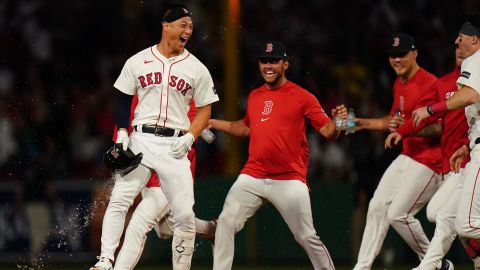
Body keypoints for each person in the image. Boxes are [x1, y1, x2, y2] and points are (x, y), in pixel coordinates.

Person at [90, 4, 219, 270]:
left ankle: (206, 234)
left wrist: (191, 135)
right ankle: (105, 262)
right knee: (122, 199)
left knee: (178, 218)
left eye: (191, 27)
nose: (188, 30)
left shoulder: (196, 69)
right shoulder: (138, 62)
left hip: (174, 147)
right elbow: (123, 100)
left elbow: (206, 110)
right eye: (183, 24)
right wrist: (123, 134)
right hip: (142, 140)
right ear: (166, 26)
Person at [209, 40, 347, 270]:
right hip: (253, 174)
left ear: (286, 64)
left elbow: (329, 132)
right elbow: (245, 127)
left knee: (305, 236)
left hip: (289, 178)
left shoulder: (303, 96)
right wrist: (213, 122)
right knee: (225, 222)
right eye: (264, 60)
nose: (268, 65)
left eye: (274, 61)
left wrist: (342, 121)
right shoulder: (255, 95)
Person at [352, 33, 443, 270]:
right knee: (376, 206)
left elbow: (439, 128)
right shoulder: (399, 83)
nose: (396, 59)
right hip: (408, 156)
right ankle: (362, 267)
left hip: (430, 160)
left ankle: (436, 262)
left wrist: (406, 131)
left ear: (415, 54)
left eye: (402, 54)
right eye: (393, 55)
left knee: (397, 215)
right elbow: (394, 121)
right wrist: (361, 123)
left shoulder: (430, 83)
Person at [385, 47, 468, 270]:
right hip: (449, 163)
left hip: (471, 162)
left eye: (466, 43)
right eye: (457, 45)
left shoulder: (475, 84)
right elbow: (419, 114)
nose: (460, 49)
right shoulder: (443, 83)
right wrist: (401, 132)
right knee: (441, 216)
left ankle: (430, 266)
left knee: (455, 221)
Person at [111, 98, 216, 270]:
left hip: (171, 177)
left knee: (138, 223)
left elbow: (195, 137)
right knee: (166, 230)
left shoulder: (181, 96)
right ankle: (213, 230)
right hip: (146, 177)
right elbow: (121, 146)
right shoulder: (135, 97)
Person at [413, 10, 480, 260]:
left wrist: (431, 108)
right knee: (439, 212)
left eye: (461, 37)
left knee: (465, 224)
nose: (456, 42)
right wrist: (467, 146)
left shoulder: (475, 60)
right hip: (473, 149)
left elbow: (469, 96)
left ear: (475, 40)